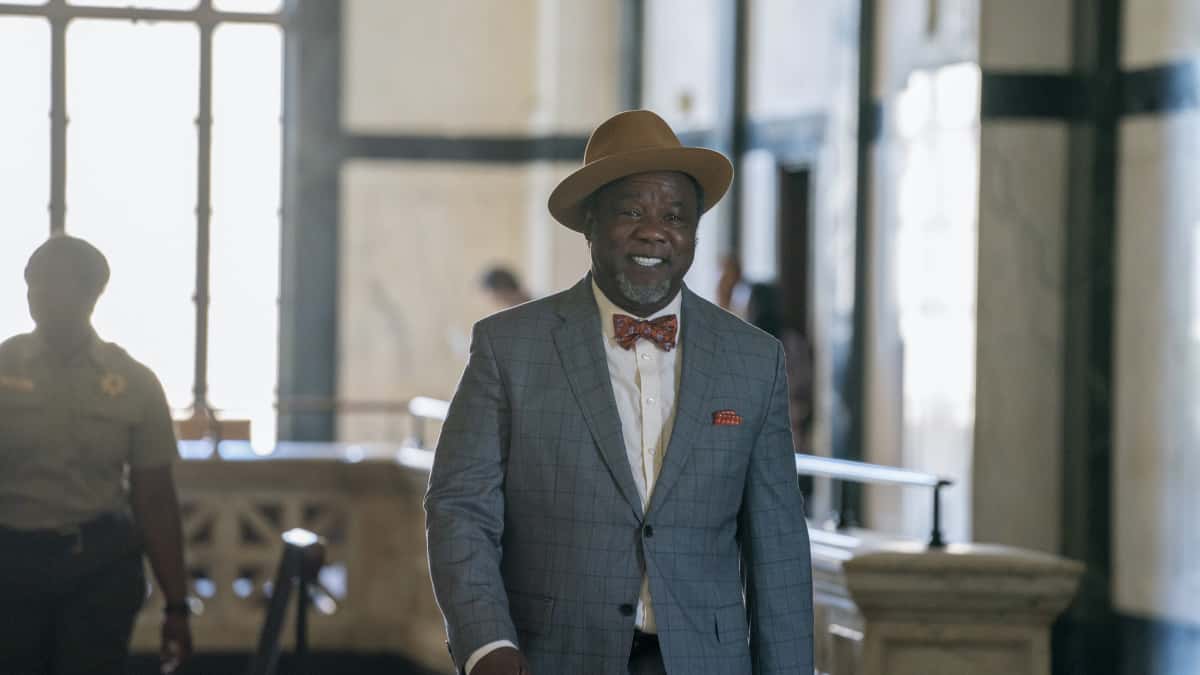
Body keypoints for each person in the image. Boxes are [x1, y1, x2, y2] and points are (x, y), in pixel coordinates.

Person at [425, 110, 813, 675]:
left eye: (675, 216)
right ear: (589, 221)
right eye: (632, 211)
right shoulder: (508, 347)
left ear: (693, 233)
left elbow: (777, 545)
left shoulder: (754, 359)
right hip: (549, 660)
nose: (654, 230)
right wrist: (487, 644)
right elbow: (460, 507)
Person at [0, 235, 192, 674]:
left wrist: (177, 606)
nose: (39, 295)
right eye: (33, 283)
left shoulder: (134, 382)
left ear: (91, 293)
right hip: (11, 564)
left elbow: (155, 499)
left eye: (54, 282)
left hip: (98, 569)